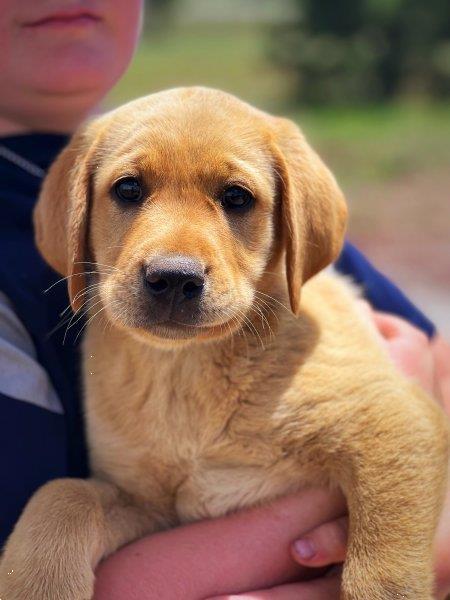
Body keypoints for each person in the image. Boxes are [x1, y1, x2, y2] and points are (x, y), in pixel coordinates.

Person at [0, 2, 449, 598]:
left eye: (236, 199)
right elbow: (142, 505)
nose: (174, 261)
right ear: (72, 218)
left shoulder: (301, 293)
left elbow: (413, 426)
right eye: (130, 191)